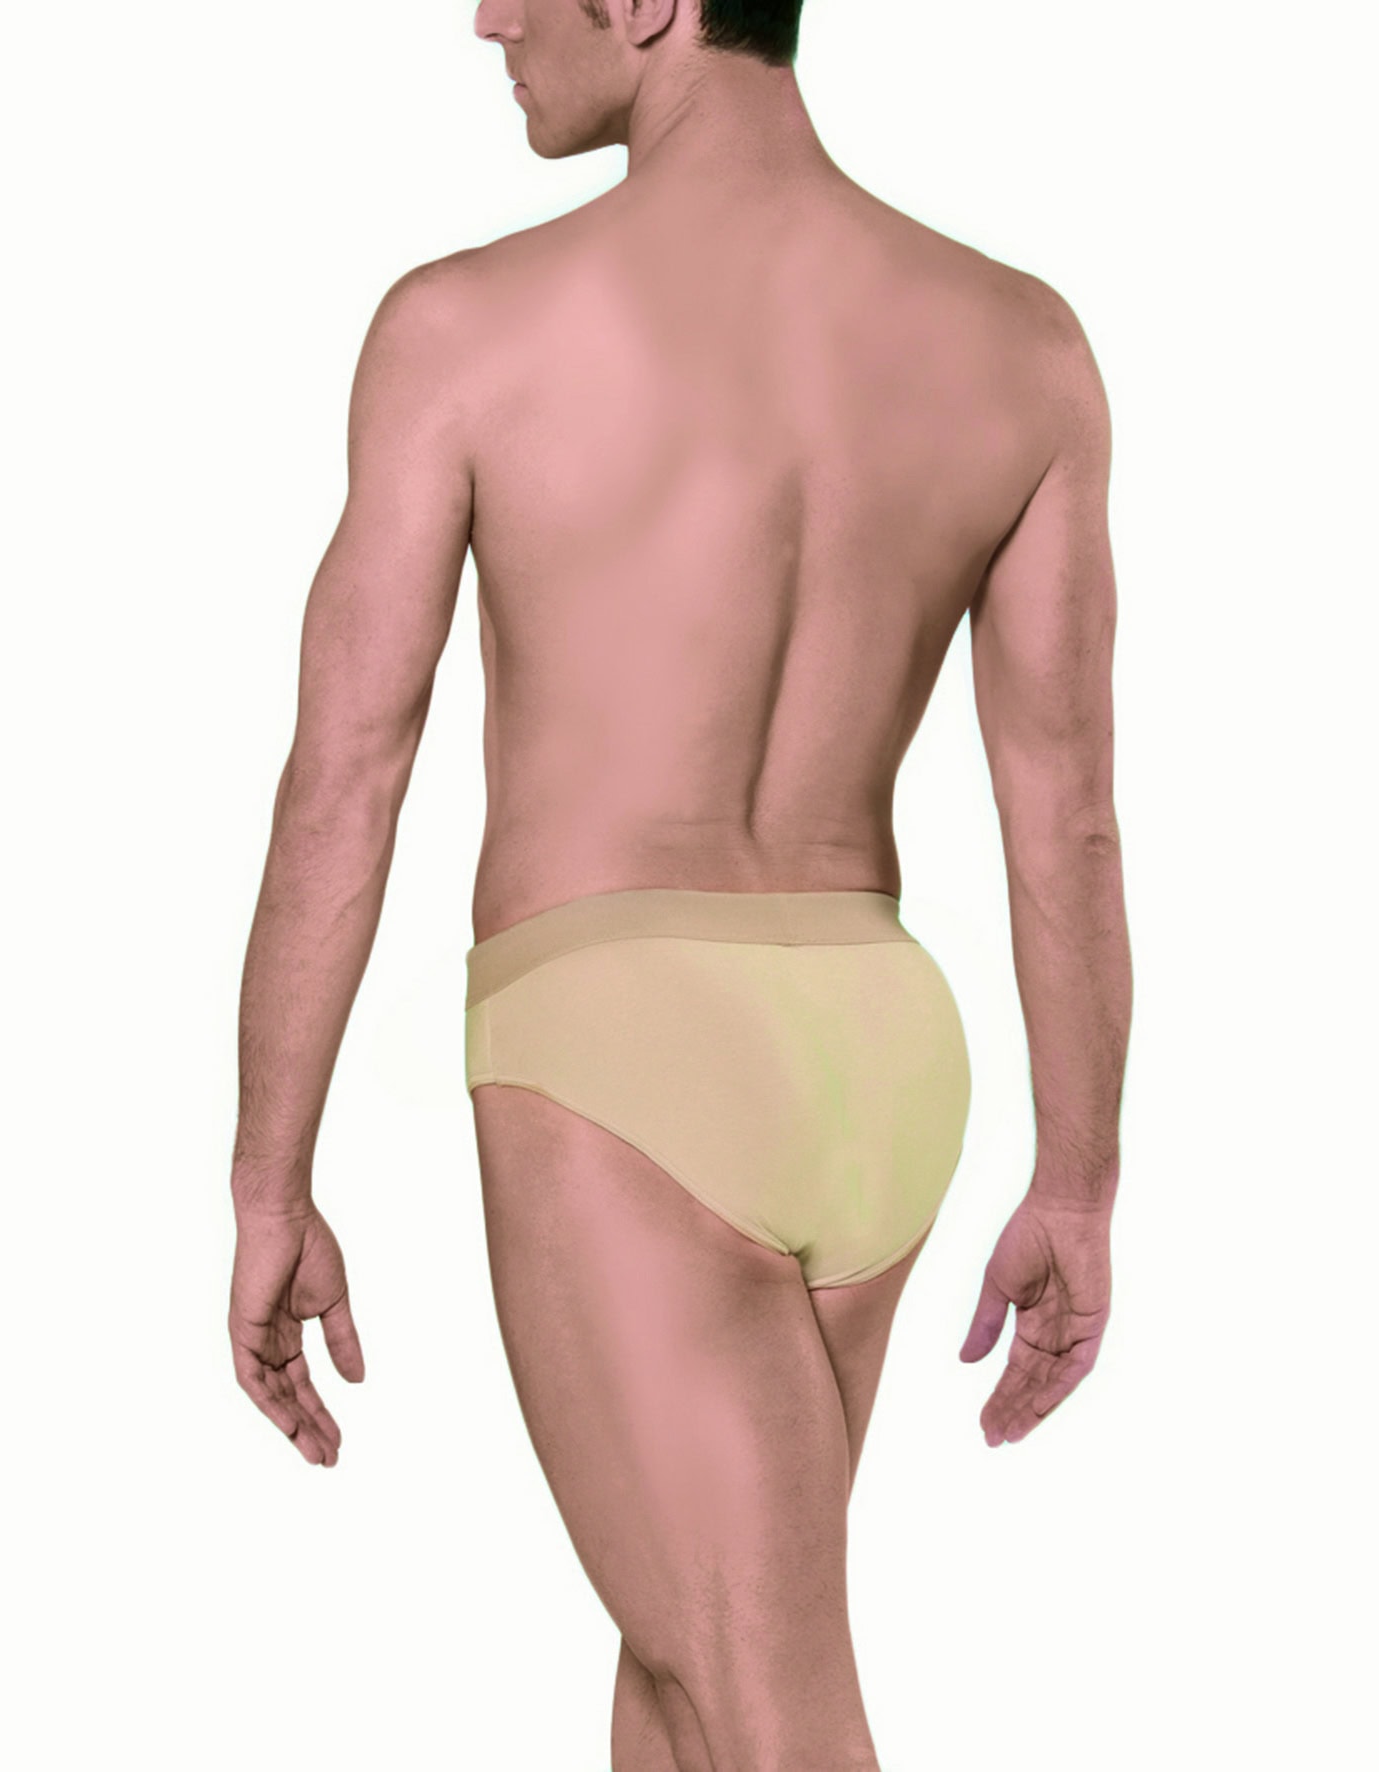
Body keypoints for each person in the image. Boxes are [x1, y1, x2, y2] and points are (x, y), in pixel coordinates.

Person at [227, 2, 1132, 1767]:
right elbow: (1069, 817)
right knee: (680, 1684)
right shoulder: (1023, 344)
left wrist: (268, 1176)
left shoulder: (464, 327)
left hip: (620, 1048)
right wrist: (1079, 1180)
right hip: (881, 1051)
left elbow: (348, 770)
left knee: (761, 1702)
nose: (487, 16)